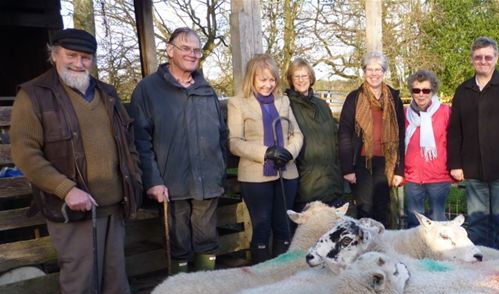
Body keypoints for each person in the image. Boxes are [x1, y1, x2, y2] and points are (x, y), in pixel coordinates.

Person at [10, 29, 142, 294]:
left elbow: (127, 144)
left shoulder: (107, 93)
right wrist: (66, 188)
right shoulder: (34, 95)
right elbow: (26, 153)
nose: (79, 63)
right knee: (79, 272)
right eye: (71, 56)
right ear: (54, 54)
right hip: (70, 205)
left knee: (114, 270)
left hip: (113, 201)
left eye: (85, 58)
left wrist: (134, 180)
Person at [129, 27, 228, 272]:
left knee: (207, 241)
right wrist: (153, 180)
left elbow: (221, 134)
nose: (192, 54)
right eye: (185, 48)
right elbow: (140, 140)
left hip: (207, 182)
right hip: (171, 184)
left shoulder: (206, 90)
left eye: (196, 50)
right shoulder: (148, 90)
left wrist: (218, 170)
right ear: (170, 50)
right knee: (178, 243)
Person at [447, 36, 499, 254]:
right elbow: (454, 130)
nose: (483, 61)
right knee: (477, 225)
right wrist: (455, 163)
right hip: (473, 171)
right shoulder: (463, 90)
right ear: (472, 59)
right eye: (478, 57)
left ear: (496, 58)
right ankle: (480, 268)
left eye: (488, 57)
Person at [228, 54, 303, 263]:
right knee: (261, 226)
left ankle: (280, 274)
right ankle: (260, 276)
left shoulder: (283, 101)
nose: (268, 85)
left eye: (272, 80)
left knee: (284, 226)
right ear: (252, 78)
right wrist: (266, 153)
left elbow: (297, 134)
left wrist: (289, 152)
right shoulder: (238, 103)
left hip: (286, 173)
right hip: (255, 176)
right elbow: (234, 142)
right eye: (263, 80)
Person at [338, 50, 404, 227]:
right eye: (370, 69)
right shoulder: (354, 98)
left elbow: (400, 136)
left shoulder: (394, 98)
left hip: (385, 162)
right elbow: (344, 133)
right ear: (364, 71)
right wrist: (347, 169)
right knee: (364, 209)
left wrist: (399, 170)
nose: (374, 74)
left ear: (384, 72)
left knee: (382, 209)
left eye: (378, 69)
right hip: (361, 163)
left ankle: (379, 250)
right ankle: (364, 250)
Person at [284, 58, 343, 211]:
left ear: (311, 78)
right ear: (290, 79)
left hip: (331, 179)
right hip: (306, 182)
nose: (301, 80)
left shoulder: (322, 105)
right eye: (296, 76)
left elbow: (334, 138)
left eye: (304, 76)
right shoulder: (286, 104)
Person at [402, 69, 454, 227]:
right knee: (414, 223)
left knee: (438, 222)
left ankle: (438, 252)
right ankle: (416, 252)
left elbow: (454, 140)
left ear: (433, 91)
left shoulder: (445, 112)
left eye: (426, 90)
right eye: (416, 90)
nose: (421, 94)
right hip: (412, 178)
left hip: (438, 177)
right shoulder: (405, 114)